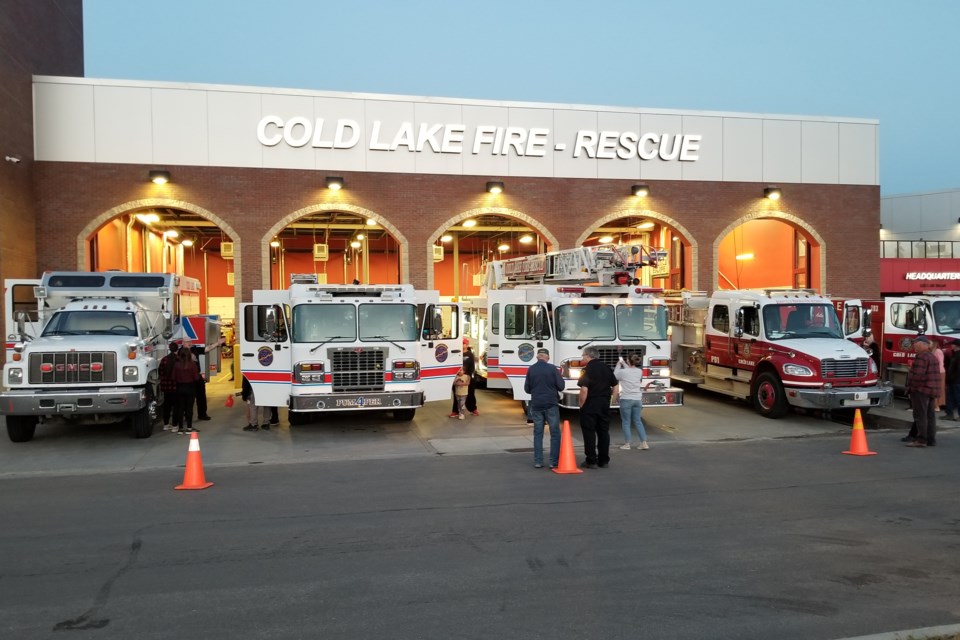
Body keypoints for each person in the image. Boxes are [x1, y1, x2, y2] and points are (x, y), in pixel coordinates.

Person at [523, 347, 565, 469]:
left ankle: (538, 461)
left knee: (538, 433)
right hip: (551, 404)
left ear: (537, 357)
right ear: (547, 357)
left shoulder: (531, 369)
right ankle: (553, 462)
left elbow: (527, 389)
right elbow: (561, 386)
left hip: (536, 404)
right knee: (555, 433)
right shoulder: (552, 368)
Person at [577, 346, 618, 468]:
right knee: (603, 432)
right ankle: (604, 460)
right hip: (604, 404)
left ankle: (591, 460)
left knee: (589, 432)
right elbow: (616, 386)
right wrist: (611, 401)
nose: (582, 358)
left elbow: (584, 390)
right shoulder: (607, 368)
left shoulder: (586, 370)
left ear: (589, 356)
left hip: (590, 404)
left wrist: (581, 405)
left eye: (583, 355)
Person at [904, 336, 939, 448]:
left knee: (920, 415)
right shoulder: (932, 356)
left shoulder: (922, 357)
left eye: (915, 343)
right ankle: (931, 439)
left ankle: (921, 440)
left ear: (922, 344)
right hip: (931, 389)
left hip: (921, 390)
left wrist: (912, 388)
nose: (914, 346)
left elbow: (918, 375)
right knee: (930, 415)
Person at [614, 353, 649, 450]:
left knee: (626, 422)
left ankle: (627, 444)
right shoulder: (639, 371)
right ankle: (644, 443)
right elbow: (629, 370)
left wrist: (619, 363)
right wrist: (624, 363)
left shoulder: (623, 372)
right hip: (637, 399)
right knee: (637, 421)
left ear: (628, 361)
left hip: (626, 399)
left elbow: (615, 375)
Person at [172, 346, 201, 434]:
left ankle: (180, 428)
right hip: (190, 388)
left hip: (179, 388)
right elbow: (196, 378)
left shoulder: (176, 365)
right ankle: (189, 427)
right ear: (189, 354)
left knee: (180, 408)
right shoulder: (192, 364)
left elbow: (173, 377)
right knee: (189, 408)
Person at [159, 342, 180, 431]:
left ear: (169, 348)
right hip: (176, 387)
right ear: (177, 349)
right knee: (176, 406)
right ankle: (175, 425)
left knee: (167, 406)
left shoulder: (164, 359)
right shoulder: (179, 359)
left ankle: (166, 424)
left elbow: (160, 372)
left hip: (166, 388)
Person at [190, 344, 212, 421]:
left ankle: (202, 414)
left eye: (190, 341)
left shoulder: (194, 349)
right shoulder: (181, 351)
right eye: (187, 342)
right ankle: (188, 416)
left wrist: (217, 343)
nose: (189, 343)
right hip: (188, 378)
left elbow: (207, 349)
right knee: (189, 399)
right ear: (183, 343)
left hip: (197, 376)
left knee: (201, 396)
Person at [943, 342, 960, 421]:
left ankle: (953, 414)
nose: (951, 346)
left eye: (953, 344)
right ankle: (949, 414)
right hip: (951, 380)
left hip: (956, 380)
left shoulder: (958, 355)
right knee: (950, 397)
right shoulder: (954, 354)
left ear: (957, 346)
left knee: (957, 398)